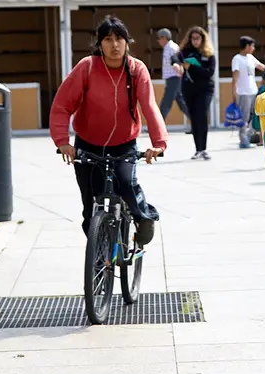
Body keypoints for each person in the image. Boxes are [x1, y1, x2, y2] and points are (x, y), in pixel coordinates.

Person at [50, 15, 166, 244]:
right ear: (99, 44)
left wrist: (158, 143)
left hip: (124, 143)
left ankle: (144, 217)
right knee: (89, 204)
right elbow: (62, 105)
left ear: (127, 42)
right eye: (108, 39)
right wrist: (62, 141)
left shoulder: (136, 69)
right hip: (88, 144)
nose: (114, 45)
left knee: (127, 184)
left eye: (119, 39)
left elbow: (149, 106)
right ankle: (99, 251)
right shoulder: (87, 67)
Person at [173, 26, 217, 160]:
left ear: (203, 39)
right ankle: (197, 149)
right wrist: (177, 64)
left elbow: (209, 72)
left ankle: (204, 149)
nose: (195, 41)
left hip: (205, 89)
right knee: (194, 117)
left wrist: (192, 67)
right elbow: (175, 57)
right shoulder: (185, 52)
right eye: (193, 38)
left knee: (201, 115)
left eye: (198, 38)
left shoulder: (208, 54)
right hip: (189, 88)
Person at [231, 36, 265, 149]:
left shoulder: (251, 57)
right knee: (244, 117)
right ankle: (243, 140)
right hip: (243, 92)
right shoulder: (237, 59)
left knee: (253, 117)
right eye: (252, 46)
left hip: (253, 91)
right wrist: (234, 92)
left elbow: (261, 67)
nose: (253, 48)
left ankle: (249, 136)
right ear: (247, 46)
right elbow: (235, 77)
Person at [156, 28, 189, 124]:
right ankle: (196, 122)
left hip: (174, 78)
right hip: (172, 78)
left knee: (166, 102)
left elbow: (178, 60)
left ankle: (158, 126)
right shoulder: (168, 47)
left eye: (159, 38)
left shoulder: (171, 47)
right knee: (181, 103)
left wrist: (177, 66)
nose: (158, 41)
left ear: (164, 38)